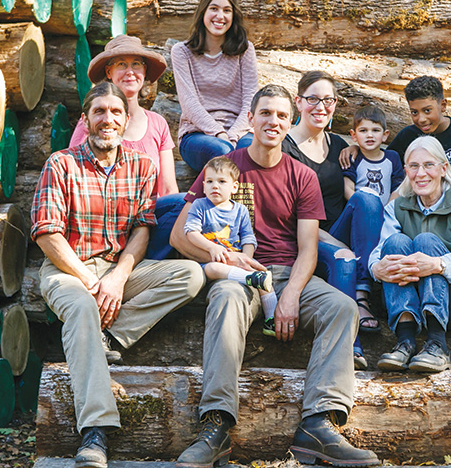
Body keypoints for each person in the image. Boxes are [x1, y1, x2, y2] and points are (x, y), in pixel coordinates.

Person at [170, 84, 379, 468]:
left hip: (287, 272)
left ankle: (319, 423)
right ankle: (215, 425)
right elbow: (178, 237)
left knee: (343, 308)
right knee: (226, 298)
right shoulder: (223, 169)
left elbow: (309, 249)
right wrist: (227, 257)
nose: (274, 121)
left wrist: (290, 295)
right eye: (266, 113)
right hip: (240, 275)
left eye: (282, 115)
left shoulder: (302, 176)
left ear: (291, 120)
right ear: (251, 118)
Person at [32, 82, 204, 468]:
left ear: (126, 121)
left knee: (190, 274)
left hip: (119, 268)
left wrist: (118, 276)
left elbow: (143, 228)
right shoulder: (61, 163)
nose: (107, 119)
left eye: (115, 112)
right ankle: (95, 430)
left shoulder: (142, 166)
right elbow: (46, 232)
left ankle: (110, 335)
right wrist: (90, 281)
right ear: (86, 119)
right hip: (67, 268)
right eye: (99, 112)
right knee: (80, 307)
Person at [282, 71, 385, 369]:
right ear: (298, 102)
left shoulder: (340, 147)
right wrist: (340, 244)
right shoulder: (285, 147)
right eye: (313, 99)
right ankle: (350, 346)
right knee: (343, 258)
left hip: (339, 232)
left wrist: (357, 147)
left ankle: (363, 294)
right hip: (305, 238)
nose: (321, 106)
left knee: (366, 199)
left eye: (328, 100)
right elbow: (288, 215)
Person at [368, 136, 451, 373]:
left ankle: (437, 344)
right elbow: (380, 252)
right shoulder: (397, 206)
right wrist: (375, 268)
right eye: (414, 166)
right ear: (406, 171)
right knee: (396, 242)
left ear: (444, 169)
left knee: (426, 241)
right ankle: (405, 341)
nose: (421, 173)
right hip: (411, 299)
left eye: (429, 165)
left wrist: (436, 264)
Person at [68, 34, 178, 197]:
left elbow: (169, 189)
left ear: (144, 70)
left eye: (136, 64)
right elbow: (72, 173)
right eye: (122, 64)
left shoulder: (158, 123)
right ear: (109, 72)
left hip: (152, 213)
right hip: (106, 211)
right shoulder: (95, 121)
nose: (130, 72)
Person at [183, 156, 277, 334]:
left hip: (236, 261)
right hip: (210, 262)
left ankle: (270, 319)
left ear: (234, 187)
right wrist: (211, 247)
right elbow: (190, 232)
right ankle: (248, 279)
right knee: (213, 268)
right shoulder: (200, 206)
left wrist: (246, 258)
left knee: (264, 277)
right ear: (203, 186)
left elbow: (249, 237)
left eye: (221, 181)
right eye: (209, 181)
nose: (215, 186)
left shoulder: (240, 210)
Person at [173, 0, 259, 172]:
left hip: (239, 133)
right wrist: (220, 134)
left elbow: (251, 100)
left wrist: (233, 135)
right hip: (197, 136)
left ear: (233, 16)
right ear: (203, 12)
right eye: (214, 8)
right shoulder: (182, 52)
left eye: (226, 10)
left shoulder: (244, 50)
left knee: (251, 150)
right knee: (221, 150)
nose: (220, 16)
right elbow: (189, 104)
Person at [342, 106, 405, 206]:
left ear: (385, 135)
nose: (369, 135)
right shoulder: (353, 158)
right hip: (359, 211)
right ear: (353, 135)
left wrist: (387, 210)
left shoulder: (392, 158)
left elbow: (397, 188)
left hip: (386, 213)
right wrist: (364, 207)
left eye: (375, 130)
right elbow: (347, 188)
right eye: (363, 130)